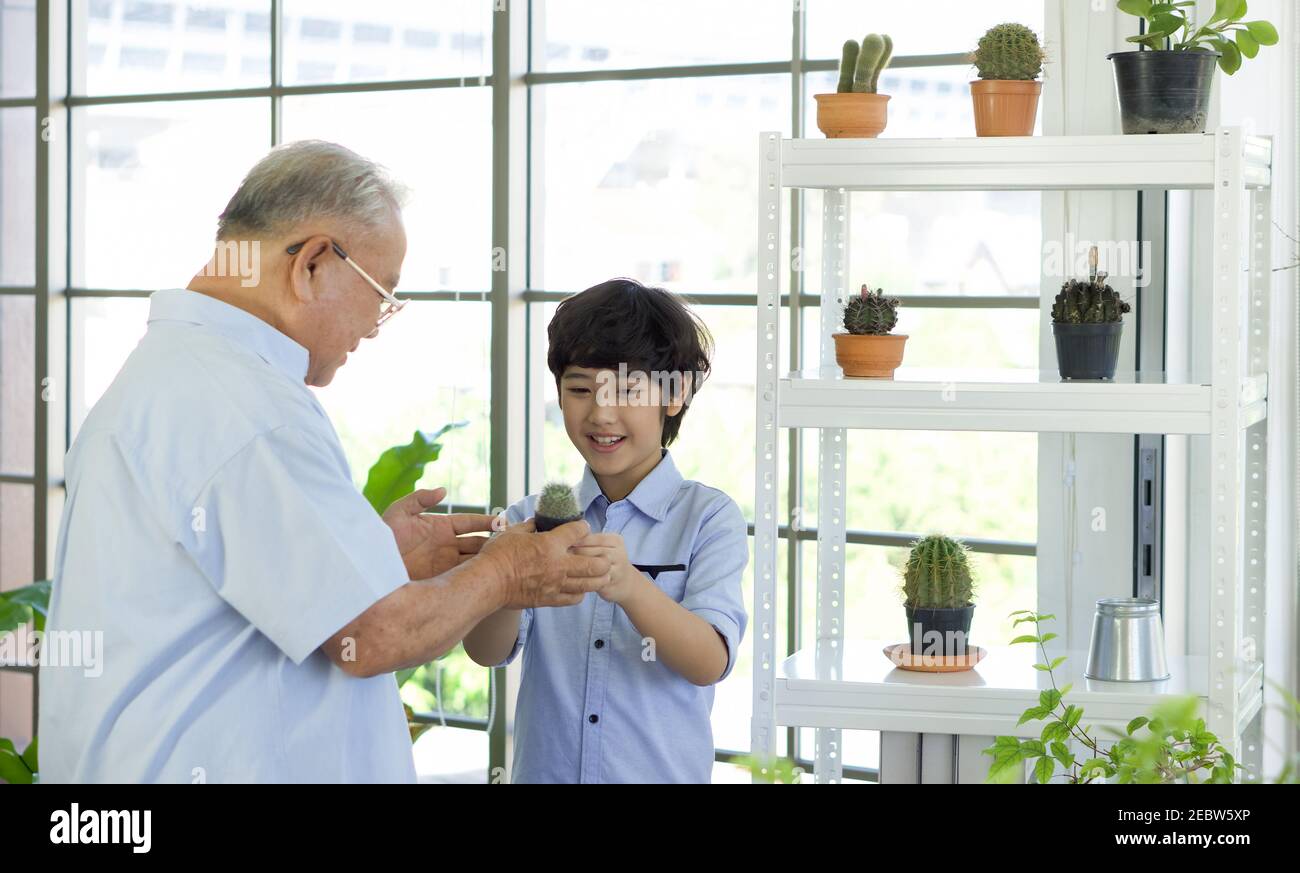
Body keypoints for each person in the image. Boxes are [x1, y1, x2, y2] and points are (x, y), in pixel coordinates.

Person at [38, 140, 610, 783]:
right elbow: (370, 640)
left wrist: (369, 560)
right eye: (382, 295)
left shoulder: (181, 375)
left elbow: (226, 594)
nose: (375, 325)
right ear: (312, 263)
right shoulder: (246, 406)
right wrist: (505, 575)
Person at [464, 278, 748, 783]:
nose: (600, 413)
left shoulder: (708, 518)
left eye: (627, 390)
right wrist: (501, 576)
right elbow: (486, 653)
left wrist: (632, 587)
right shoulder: (531, 515)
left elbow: (708, 661)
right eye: (579, 389)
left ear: (675, 394)